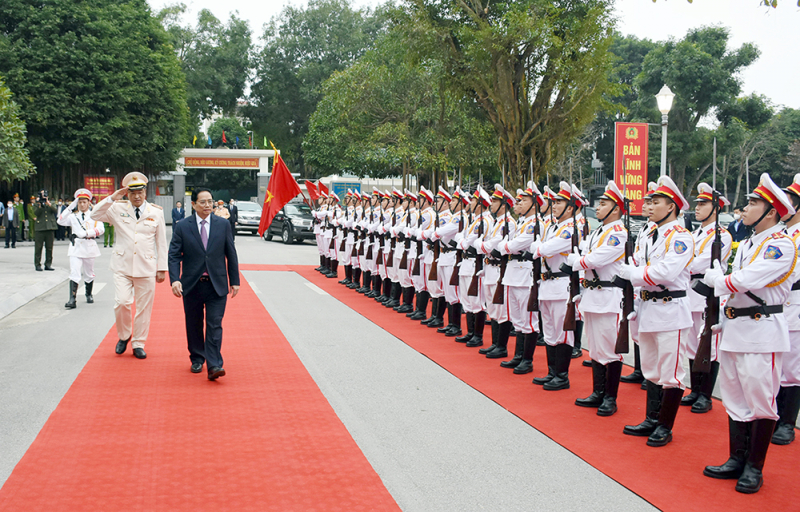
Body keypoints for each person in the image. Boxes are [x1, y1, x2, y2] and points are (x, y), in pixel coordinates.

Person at [701, 173, 795, 493]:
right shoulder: (751, 243)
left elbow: (749, 279)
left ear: (771, 211)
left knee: (760, 400)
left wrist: (719, 281)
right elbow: (737, 282)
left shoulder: (780, 244)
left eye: (753, 203)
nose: (745, 207)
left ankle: (755, 468)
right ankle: (736, 459)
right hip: (737, 328)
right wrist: (723, 314)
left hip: (761, 330)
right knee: (735, 397)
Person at [619, 175, 694, 447]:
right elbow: (640, 263)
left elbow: (667, 271)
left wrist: (634, 274)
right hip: (648, 307)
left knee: (671, 372)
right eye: (648, 201)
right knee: (650, 368)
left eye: (656, 202)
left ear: (672, 206)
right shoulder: (649, 234)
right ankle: (652, 417)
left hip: (670, 309)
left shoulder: (681, 236)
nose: (648, 206)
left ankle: (665, 426)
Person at [90, 172, 168, 359]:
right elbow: (94, 214)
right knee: (122, 302)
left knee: (143, 308)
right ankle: (124, 336)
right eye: (132, 193)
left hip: (146, 266)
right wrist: (111, 198)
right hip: (122, 266)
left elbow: (162, 242)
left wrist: (161, 268)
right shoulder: (117, 208)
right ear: (127, 194)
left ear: (145, 192)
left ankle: (139, 343)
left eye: (140, 192)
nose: (137, 196)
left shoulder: (156, 212)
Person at [568, 181, 626, 416]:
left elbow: (595, 259)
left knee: (611, 349)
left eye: (603, 203)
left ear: (615, 209)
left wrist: (578, 260)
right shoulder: (599, 232)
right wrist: (582, 257)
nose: (597, 207)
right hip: (593, 295)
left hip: (609, 297)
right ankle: (598, 392)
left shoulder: (618, 233)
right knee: (595, 348)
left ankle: (610, 398)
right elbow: (587, 254)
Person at [169, 188, 240, 380]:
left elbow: (230, 253)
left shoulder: (223, 224)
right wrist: (175, 279)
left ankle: (215, 364)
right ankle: (197, 357)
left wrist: (235, 280)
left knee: (214, 324)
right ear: (193, 204)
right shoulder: (183, 226)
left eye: (210, 201)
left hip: (216, 283)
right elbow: (174, 254)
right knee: (193, 323)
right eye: (203, 202)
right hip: (192, 283)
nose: (208, 205)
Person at [682, 183, 733, 413]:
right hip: (690, 292)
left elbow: (698, 263)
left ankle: (706, 395)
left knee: (709, 346)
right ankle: (694, 389)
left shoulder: (722, 236)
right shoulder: (695, 234)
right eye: (698, 204)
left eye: (703, 204)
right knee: (693, 345)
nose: (697, 208)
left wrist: (680, 265)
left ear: (716, 208)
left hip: (707, 294)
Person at [529, 182, 583, 391]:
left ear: (570, 207)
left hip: (562, 285)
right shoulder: (555, 227)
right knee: (550, 331)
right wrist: (539, 248)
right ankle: (552, 371)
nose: (554, 205)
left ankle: (562, 375)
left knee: (563, 332)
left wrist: (538, 248)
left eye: (559, 202)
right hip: (547, 284)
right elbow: (541, 249)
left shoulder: (570, 230)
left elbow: (545, 249)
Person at [774, 173, 800, 445]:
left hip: (795, 302)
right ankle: (774, 416)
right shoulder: (781, 233)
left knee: (792, 367)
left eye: (789, 200)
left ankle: (787, 423)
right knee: (776, 364)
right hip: (775, 303)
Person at [58, 189, 104, 308]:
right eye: (80, 202)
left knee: (89, 273)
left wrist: (87, 233)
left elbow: (101, 229)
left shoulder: (95, 215)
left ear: (89, 202)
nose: (82, 205)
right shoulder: (73, 216)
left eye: (84, 202)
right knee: (74, 273)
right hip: (76, 247)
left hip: (89, 246)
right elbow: (60, 220)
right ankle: (72, 299)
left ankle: (88, 294)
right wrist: (70, 206)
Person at [33, 191, 58, 271]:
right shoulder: (37, 204)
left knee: (49, 248)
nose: (44, 197)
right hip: (40, 228)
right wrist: (40, 205)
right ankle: (37, 264)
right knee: (38, 248)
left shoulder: (51, 203)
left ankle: (48, 264)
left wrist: (48, 203)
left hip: (50, 228)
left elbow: (55, 211)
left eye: (45, 195)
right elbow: (36, 213)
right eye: (42, 195)